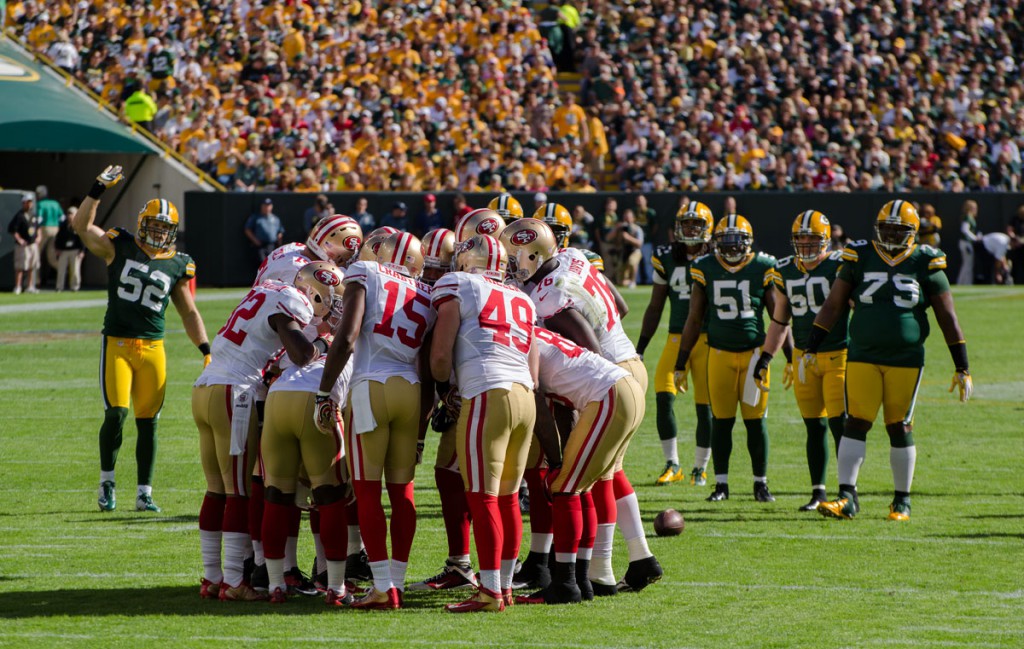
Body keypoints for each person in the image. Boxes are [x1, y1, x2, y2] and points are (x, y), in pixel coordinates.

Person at [501, 219, 661, 595]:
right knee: (605, 475)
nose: (510, 264)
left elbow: (589, 349)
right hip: (626, 361)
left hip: (606, 373)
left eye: (514, 257)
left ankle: (601, 571)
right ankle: (635, 558)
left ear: (533, 255)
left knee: (589, 478)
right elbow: (618, 305)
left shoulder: (547, 297)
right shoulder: (573, 256)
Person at [805, 200, 973, 521]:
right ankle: (846, 497)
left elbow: (947, 317)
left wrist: (961, 364)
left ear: (912, 233)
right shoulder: (861, 254)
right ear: (877, 230)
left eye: (899, 231)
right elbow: (833, 304)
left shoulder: (925, 260)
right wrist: (812, 346)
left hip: (905, 359)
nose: (893, 236)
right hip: (863, 355)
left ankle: (901, 501)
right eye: (887, 230)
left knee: (898, 425)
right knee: (856, 422)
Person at [72, 165, 210, 514]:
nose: (158, 232)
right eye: (154, 225)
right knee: (116, 414)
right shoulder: (119, 245)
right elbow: (82, 228)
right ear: (142, 223)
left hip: (153, 348)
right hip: (117, 343)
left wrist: (205, 349)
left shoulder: (179, 263)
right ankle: (107, 481)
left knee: (149, 422)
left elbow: (189, 312)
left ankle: (144, 492)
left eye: (165, 228)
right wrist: (97, 189)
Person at [193, 264, 332, 601]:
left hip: (205, 386)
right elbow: (301, 354)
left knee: (215, 490)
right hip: (234, 391)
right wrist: (326, 343)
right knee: (238, 492)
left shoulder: (265, 289)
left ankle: (213, 577)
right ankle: (234, 583)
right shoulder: (291, 302)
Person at [315, 232, 434, 610]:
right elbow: (429, 367)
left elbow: (347, 337)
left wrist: (324, 392)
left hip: (371, 387)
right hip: (411, 390)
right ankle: (394, 581)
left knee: (367, 490)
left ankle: (382, 586)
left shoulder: (366, 272)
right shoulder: (426, 292)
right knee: (403, 492)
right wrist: (421, 428)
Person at [430, 234, 538, 612]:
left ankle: (490, 591)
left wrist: (444, 389)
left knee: (482, 495)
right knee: (507, 497)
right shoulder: (521, 297)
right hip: (525, 395)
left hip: (488, 392)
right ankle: (504, 587)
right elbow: (534, 366)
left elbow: (441, 354)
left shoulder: (459, 283)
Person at [517, 327, 644, 606]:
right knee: (581, 485)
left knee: (564, 486)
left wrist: (555, 462)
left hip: (609, 395)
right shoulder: (537, 333)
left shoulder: (518, 340)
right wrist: (562, 460)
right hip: (624, 389)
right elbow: (565, 408)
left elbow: (538, 405)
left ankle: (565, 584)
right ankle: (582, 580)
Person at [259, 262, 354, 606]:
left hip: (277, 400)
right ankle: (337, 587)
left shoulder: (299, 332)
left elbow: (272, 367)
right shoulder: (350, 334)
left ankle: (274, 585)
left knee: (277, 496)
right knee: (329, 498)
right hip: (316, 401)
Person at [673, 214, 780, 504]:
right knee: (721, 421)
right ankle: (721, 484)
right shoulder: (704, 267)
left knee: (756, 423)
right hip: (718, 354)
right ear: (716, 242)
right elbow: (694, 319)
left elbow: (778, 317)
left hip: (754, 354)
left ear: (748, 242)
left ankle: (761, 484)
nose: (732, 248)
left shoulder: (763, 266)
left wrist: (790, 356)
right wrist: (681, 361)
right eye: (726, 241)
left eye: (737, 241)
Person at [753, 211, 848, 511]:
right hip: (803, 357)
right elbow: (780, 320)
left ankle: (848, 491)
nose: (806, 243)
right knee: (814, 426)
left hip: (838, 353)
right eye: (801, 237)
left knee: (839, 425)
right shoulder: (784, 270)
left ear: (826, 240)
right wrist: (767, 357)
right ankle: (818, 492)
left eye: (812, 237)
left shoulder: (839, 265)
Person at [407, 228, 481, 592]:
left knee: (481, 481)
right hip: (470, 389)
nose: (433, 277)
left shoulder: (463, 290)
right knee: (454, 476)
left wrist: (447, 391)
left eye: (442, 268)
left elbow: (435, 358)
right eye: (428, 269)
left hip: (480, 390)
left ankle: (487, 568)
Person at [636, 202, 714, 486]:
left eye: (697, 224)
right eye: (687, 224)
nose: (691, 229)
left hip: (707, 339)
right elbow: (656, 306)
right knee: (663, 393)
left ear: (707, 229)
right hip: (676, 336)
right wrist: (641, 346)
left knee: (705, 405)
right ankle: (673, 463)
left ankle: (700, 467)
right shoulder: (666, 257)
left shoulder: (717, 258)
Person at [8, 194, 41, 294]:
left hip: (33, 245)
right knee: (20, 267)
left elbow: (38, 228)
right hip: (23, 246)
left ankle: (30, 286)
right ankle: (18, 286)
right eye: (28, 202)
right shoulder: (19, 216)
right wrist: (20, 240)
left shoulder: (34, 215)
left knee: (31, 266)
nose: (30, 204)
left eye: (31, 202)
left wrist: (39, 237)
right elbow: (12, 230)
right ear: (24, 203)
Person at [35, 184, 65, 280]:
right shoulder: (55, 203)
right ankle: (63, 272)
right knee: (51, 256)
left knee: (37, 253)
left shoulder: (40, 204)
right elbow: (62, 218)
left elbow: (39, 219)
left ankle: (36, 279)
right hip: (55, 229)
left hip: (44, 228)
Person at [245, 198, 285, 265]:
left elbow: (280, 231)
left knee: (272, 265)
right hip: (260, 247)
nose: (267, 207)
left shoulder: (275, 218)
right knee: (262, 264)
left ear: (271, 206)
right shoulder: (255, 217)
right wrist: (255, 241)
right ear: (261, 206)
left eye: (268, 205)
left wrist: (279, 244)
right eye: (265, 205)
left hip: (272, 246)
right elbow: (247, 229)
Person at [54, 207, 85, 292]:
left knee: (75, 270)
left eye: (71, 213)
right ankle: (59, 287)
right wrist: (57, 248)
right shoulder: (63, 225)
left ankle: (74, 287)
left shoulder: (79, 225)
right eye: (68, 213)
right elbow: (58, 238)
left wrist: (82, 251)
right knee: (61, 270)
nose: (69, 215)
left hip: (75, 250)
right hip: (63, 250)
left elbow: (82, 239)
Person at [615, 209, 644, 288]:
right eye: (625, 218)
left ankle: (633, 281)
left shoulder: (637, 229)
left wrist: (628, 238)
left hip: (635, 250)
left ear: (633, 218)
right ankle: (629, 282)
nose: (627, 220)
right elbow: (617, 243)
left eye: (629, 218)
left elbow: (639, 244)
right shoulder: (621, 229)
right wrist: (618, 231)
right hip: (624, 251)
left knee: (632, 262)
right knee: (620, 281)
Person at [634, 195, 658, 285]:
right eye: (638, 200)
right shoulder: (634, 211)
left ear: (646, 201)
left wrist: (650, 235)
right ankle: (637, 280)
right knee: (636, 261)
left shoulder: (650, 212)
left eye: (641, 200)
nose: (640, 202)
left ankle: (649, 279)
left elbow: (655, 226)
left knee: (648, 261)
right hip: (636, 241)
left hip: (647, 241)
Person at [957, 200, 980, 285]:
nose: (976, 209)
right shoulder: (968, 217)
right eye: (974, 208)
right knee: (967, 265)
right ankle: (964, 283)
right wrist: (975, 238)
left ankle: (964, 283)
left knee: (967, 264)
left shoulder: (970, 217)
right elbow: (964, 230)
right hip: (965, 243)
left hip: (967, 242)